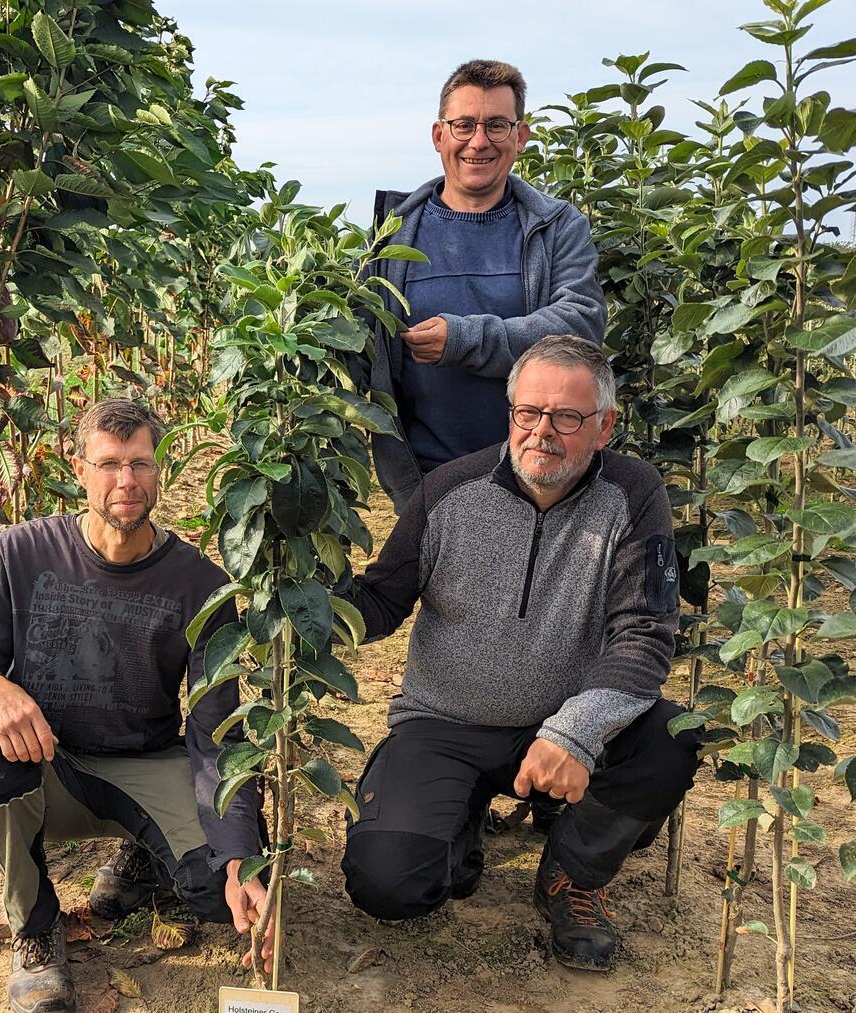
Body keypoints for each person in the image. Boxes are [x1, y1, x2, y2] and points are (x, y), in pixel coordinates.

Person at [340, 335, 699, 972]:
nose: (543, 433)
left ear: (605, 427)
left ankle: (572, 876)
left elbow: (643, 634)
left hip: (564, 726)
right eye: (528, 414)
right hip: (445, 724)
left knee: (671, 736)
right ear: (510, 415)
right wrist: (306, 594)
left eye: (567, 417)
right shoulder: (449, 491)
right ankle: (458, 825)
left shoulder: (633, 495)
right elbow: (382, 601)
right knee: (390, 886)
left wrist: (575, 731)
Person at [0, 400, 269, 1013]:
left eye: (140, 464)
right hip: (44, 761)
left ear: (160, 471)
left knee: (218, 895)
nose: (125, 481)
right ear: (79, 470)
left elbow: (218, 734)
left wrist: (240, 855)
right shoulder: (22, 553)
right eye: (108, 464)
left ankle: (141, 854)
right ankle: (35, 930)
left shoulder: (199, 584)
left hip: (144, 762)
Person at [366, 59, 606, 515]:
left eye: (497, 125)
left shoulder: (556, 227)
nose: (479, 141)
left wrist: (465, 338)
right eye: (464, 125)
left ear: (521, 136)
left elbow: (580, 326)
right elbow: (361, 340)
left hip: (539, 476)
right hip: (426, 480)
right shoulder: (391, 233)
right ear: (439, 136)